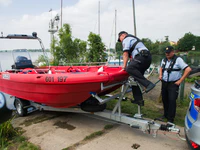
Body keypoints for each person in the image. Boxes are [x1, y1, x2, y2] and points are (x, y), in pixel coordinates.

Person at [118, 31, 155, 106]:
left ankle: (148, 84)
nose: (121, 41)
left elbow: (125, 54)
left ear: (123, 35)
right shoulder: (134, 40)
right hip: (146, 58)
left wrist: (124, 66)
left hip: (142, 57)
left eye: (120, 39)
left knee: (129, 69)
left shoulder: (127, 39)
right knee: (134, 79)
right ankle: (138, 100)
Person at [159, 46, 191, 123]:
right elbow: (161, 68)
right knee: (164, 99)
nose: (167, 54)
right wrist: (160, 75)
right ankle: (165, 115)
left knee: (172, 100)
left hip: (173, 84)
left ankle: (170, 118)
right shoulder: (164, 60)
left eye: (169, 52)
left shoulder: (178, 60)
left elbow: (188, 69)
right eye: (166, 52)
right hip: (164, 82)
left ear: (173, 52)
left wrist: (180, 80)